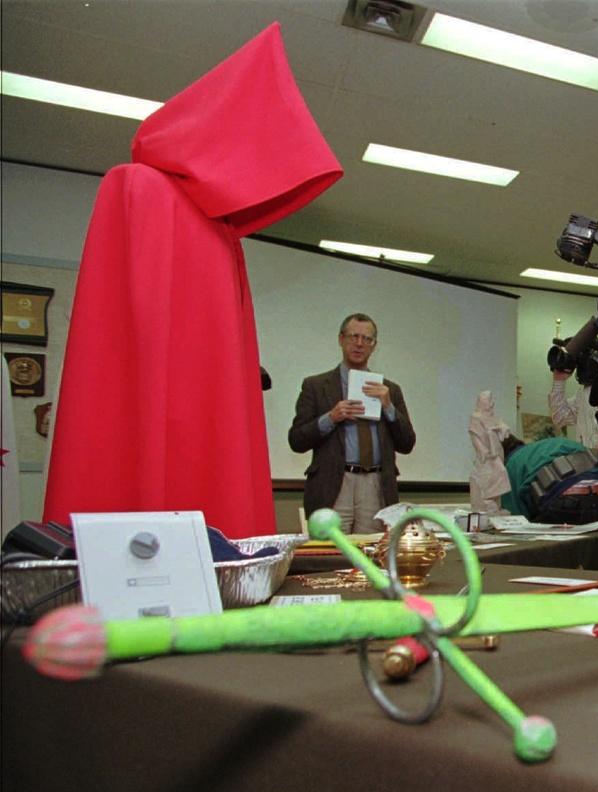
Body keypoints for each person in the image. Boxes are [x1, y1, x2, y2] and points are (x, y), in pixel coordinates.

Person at [42, 24, 342, 538]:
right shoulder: (140, 188)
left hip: (200, 432)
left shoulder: (219, 231)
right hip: (150, 441)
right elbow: (137, 353)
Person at [289, 314, 416, 534]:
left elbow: (407, 443)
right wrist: (331, 418)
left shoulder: (390, 390)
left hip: (375, 484)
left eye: (367, 339)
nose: (359, 344)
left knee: (371, 556)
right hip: (334, 484)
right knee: (331, 554)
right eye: (353, 336)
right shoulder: (316, 385)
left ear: (374, 346)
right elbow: (296, 440)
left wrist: (389, 408)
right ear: (341, 339)